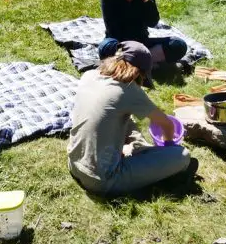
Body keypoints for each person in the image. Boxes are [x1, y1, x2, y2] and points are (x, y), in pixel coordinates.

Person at [68, 41, 196, 195]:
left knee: (125, 119)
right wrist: (169, 147)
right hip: (103, 179)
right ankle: (150, 160)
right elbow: (167, 125)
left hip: (75, 165)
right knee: (182, 156)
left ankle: (138, 149)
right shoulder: (128, 90)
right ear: (139, 73)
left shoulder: (89, 75)